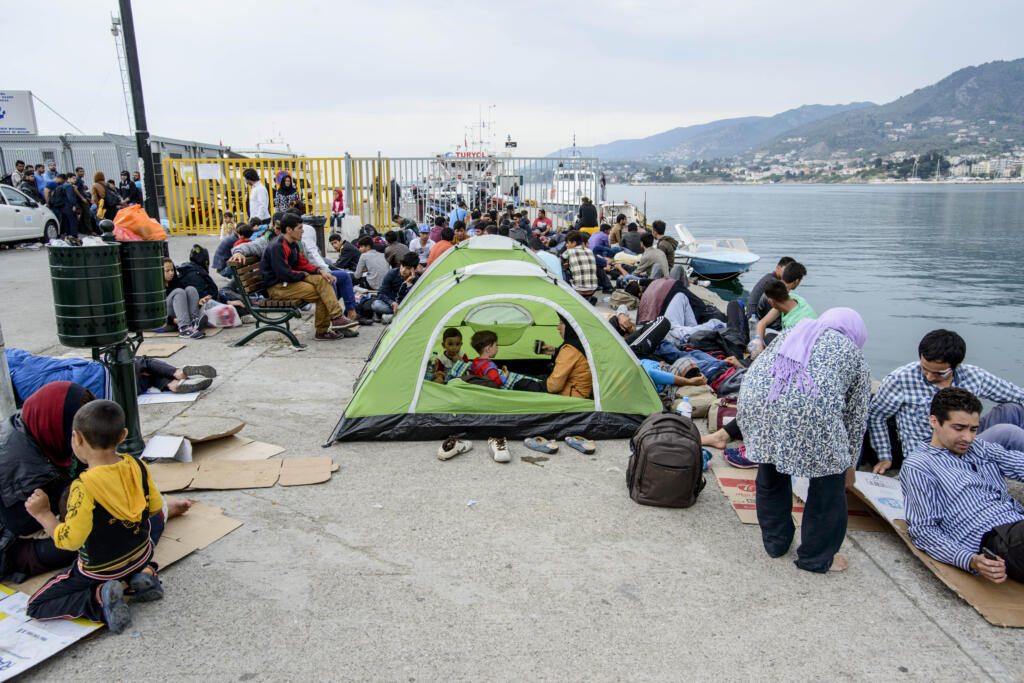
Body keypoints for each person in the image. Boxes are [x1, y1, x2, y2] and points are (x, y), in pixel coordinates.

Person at [738, 308, 872, 574]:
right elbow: (855, 420)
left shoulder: (792, 332)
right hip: (810, 409)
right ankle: (816, 556)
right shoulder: (854, 354)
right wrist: (848, 465)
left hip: (757, 402)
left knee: (771, 468)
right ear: (855, 333)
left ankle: (775, 543)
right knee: (828, 485)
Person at [24, 400, 165, 633]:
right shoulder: (137, 465)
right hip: (141, 553)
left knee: (37, 605)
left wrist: (43, 514)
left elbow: (71, 541)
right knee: (141, 542)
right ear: (123, 435)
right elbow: (154, 508)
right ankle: (144, 574)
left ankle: (98, 600)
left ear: (77, 439)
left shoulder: (84, 487)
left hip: (103, 568)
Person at [901, 387, 1024, 584]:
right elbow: (923, 530)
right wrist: (971, 560)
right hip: (994, 538)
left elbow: (1016, 463)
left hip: (1016, 526)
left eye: (974, 429)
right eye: (958, 428)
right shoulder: (920, 465)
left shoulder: (979, 448)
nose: (968, 437)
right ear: (934, 421)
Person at [868, 329, 1024, 474]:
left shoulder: (973, 376)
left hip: (967, 441)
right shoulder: (901, 379)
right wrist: (884, 456)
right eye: (925, 369)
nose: (929, 377)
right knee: (1008, 433)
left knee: (1013, 410)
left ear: (956, 366)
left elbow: (1017, 395)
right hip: (931, 454)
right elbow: (877, 416)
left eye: (938, 373)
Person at [261, 213, 356, 341]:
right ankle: (323, 330)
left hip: (291, 280)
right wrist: (304, 275)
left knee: (323, 280)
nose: (303, 230)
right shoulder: (277, 246)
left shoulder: (293, 243)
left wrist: (320, 271)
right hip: (278, 286)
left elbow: (302, 263)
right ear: (289, 230)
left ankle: (337, 318)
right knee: (321, 292)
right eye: (299, 228)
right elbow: (284, 273)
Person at [468, 331, 544, 393]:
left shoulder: (475, 361)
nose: (497, 348)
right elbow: (496, 382)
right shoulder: (489, 366)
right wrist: (505, 376)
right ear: (488, 349)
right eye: (496, 345)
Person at [541, 315, 593, 398]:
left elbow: (553, 387)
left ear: (570, 327)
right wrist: (554, 351)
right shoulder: (581, 343)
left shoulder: (570, 350)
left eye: (561, 323)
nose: (558, 327)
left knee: (521, 384)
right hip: (581, 392)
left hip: (572, 397)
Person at [746, 257, 796, 323]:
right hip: (754, 318)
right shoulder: (773, 282)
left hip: (755, 314)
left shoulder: (770, 277)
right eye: (786, 270)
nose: (788, 274)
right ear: (778, 267)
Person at [374, 252, 420, 317]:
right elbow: (381, 293)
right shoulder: (392, 273)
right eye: (403, 266)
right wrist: (392, 303)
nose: (403, 270)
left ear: (414, 270)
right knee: (376, 305)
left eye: (408, 268)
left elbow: (414, 298)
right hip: (391, 304)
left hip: (405, 306)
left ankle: (392, 316)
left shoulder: (416, 279)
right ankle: (397, 315)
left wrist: (409, 283)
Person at [561, 231, 598, 298]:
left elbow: (561, 260)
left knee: (562, 271)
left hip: (578, 290)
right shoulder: (590, 251)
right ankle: (588, 297)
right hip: (593, 289)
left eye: (567, 243)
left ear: (574, 243)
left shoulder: (569, 251)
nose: (566, 245)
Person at [48, 174, 79, 240]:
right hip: (68, 206)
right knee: (71, 220)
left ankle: (68, 234)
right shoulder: (68, 186)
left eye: (57, 178)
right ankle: (73, 235)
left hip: (61, 206)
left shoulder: (59, 186)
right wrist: (74, 205)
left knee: (65, 221)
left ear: (61, 179)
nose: (56, 179)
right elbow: (70, 197)